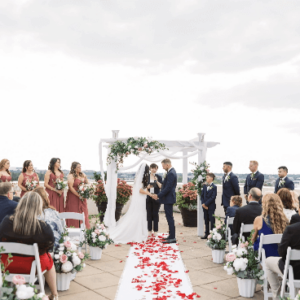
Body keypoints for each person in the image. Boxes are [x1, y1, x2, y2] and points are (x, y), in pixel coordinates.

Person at [0, 192, 58, 300]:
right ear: (38, 208)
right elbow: (50, 246)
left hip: (7, 264)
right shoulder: (42, 227)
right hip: (31, 266)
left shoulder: (6, 222)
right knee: (49, 258)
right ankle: (54, 294)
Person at [108, 163, 152, 243]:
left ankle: (140, 232)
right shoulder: (140, 177)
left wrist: (148, 187)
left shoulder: (139, 177)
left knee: (140, 214)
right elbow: (140, 190)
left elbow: (142, 188)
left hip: (141, 199)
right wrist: (149, 194)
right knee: (138, 214)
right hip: (140, 199)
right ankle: (136, 233)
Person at [265, 221, 300, 300]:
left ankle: (276, 295)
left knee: (267, 262)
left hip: (292, 270)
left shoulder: (291, 229)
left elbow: (281, 252)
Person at [252, 193, 288, 258]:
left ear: (264, 205)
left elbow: (252, 240)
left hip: (264, 256)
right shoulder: (285, 220)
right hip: (282, 257)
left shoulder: (259, 219)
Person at [152, 159, 177, 244]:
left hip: (169, 199)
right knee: (168, 217)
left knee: (169, 218)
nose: (162, 168)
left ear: (167, 165)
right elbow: (165, 186)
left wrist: (158, 195)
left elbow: (168, 188)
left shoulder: (171, 173)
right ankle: (171, 235)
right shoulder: (171, 172)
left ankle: (172, 237)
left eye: (163, 166)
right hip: (168, 198)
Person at [65, 162, 90, 229]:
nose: (80, 168)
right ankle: (73, 227)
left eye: (80, 167)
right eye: (78, 167)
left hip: (82, 196)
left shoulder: (82, 175)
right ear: (74, 168)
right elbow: (70, 187)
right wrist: (78, 195)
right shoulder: (71, 175)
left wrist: (86, 190)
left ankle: (84, 228)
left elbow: (87, 183)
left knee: (83, 211)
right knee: (74, 211)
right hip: (73, 196)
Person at [146, 163, 163, 236]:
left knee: (155, 214)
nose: (154, 170)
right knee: (149, 214)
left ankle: (155, 230)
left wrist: (156, 181)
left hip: (156, 197)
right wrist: (148, 187)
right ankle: (149, 230)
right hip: (148, 197)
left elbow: (161, 187)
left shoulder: (159, 177)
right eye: (153, 168)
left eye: (156, 168)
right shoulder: (146, 177)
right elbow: (144, 187)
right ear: (150, 168)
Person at [200, 173, 217, 239]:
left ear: (211, 178)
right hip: (204, 206)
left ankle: (212, 235)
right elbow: (202, 196)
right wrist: (203, 204)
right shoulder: (204, 186)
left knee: (212, 220)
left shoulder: (214, 187)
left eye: (207, 177)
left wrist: (206, 204)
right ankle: (206, 233)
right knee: (206, 219)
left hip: (211, 206)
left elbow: (213, 197)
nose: (206, 178)